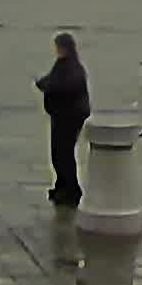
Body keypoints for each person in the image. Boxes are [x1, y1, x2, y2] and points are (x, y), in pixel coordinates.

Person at [38, 33, 92, 207]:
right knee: (57, 154)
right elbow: (52, 79)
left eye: (59, 47)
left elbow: (66, 86)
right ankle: (61, 186)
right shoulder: (62, 65)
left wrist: (48, 86)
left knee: (64, 155)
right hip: (60, 116)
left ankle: (71, 191)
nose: (57, 50)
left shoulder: (74, 68)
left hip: (70, 118)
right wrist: (43, 83)